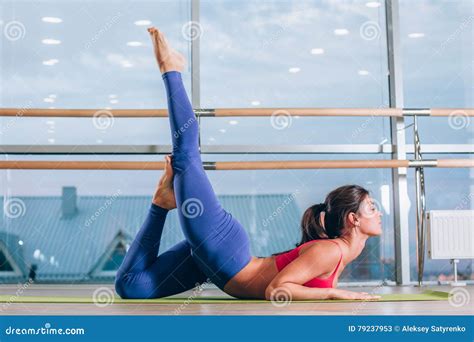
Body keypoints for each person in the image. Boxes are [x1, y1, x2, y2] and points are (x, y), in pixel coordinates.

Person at [114, 27, 382, 301]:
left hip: (216, 268)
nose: (378, 213)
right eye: (372, 207)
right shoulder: (332, 251)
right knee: (185, 157)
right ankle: (171, 69)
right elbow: (276, 289)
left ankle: (161, 203)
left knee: (130, 286)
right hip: (224, 251)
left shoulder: (340, 254)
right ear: (353, 219)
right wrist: (334, 295)